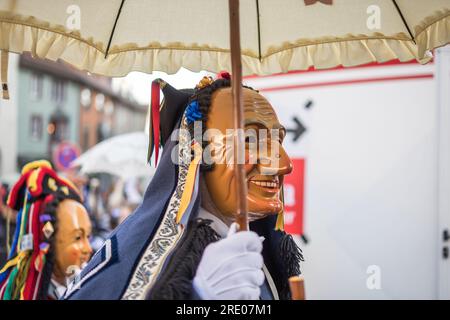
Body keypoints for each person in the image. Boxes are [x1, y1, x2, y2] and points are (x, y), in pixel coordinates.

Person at [65, 73, 303, 300]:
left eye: (278, 140)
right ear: (195, 152)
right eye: (251, 139)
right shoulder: (128, 257)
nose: (284, 165)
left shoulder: (262, 256)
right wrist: (199, 296)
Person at [0, 160, 92, 299]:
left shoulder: (81, 283)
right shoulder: (28, 293)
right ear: (48, 240)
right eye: (78, 237)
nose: (88, 248)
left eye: (88, 237)